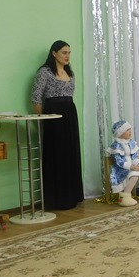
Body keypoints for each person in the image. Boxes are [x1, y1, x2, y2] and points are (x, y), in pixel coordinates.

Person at [31, 40, 84, 210]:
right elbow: (36, 98)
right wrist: (43, 119)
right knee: (57, 154)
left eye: (69, 53)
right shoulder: (45, 72)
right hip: (53, 117)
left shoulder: (70, 73)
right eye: (64, 52)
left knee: (70, 153)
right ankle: (57, 199)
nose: (67, 56)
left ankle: (72, 196)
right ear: (54, 53)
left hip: (70, 116)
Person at [107, 120, 139, 207]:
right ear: (120, 133)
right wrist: (131, 167)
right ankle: (125, 197)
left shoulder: (131, 143)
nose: (130, 132)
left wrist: (137, 164)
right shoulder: (116, 145)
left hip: (133, 165)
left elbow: (134, 157)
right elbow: (119, 161)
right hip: (122, 168)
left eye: (130, 130)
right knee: (134, 175)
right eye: (127, 130)